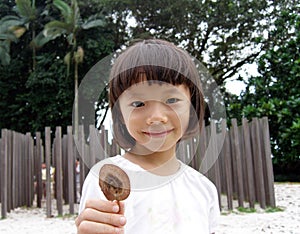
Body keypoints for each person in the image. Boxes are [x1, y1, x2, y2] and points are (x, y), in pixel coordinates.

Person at [75, 39, 220, 234]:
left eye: (171, 100)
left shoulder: (204, 190)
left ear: (192, 106)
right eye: (138, 104)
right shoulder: (103, 178)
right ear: (120, 114)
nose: (156, 117)